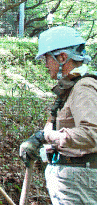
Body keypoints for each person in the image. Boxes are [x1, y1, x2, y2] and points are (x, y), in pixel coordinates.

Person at [19, 26, 97, 204]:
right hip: (74, 183)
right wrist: (45, 140)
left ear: (62, 57)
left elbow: (92, 134)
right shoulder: (71, 87)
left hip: (80, 184)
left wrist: (48, 136)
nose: (46, 64)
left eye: (47, 58)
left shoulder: (83, 88)